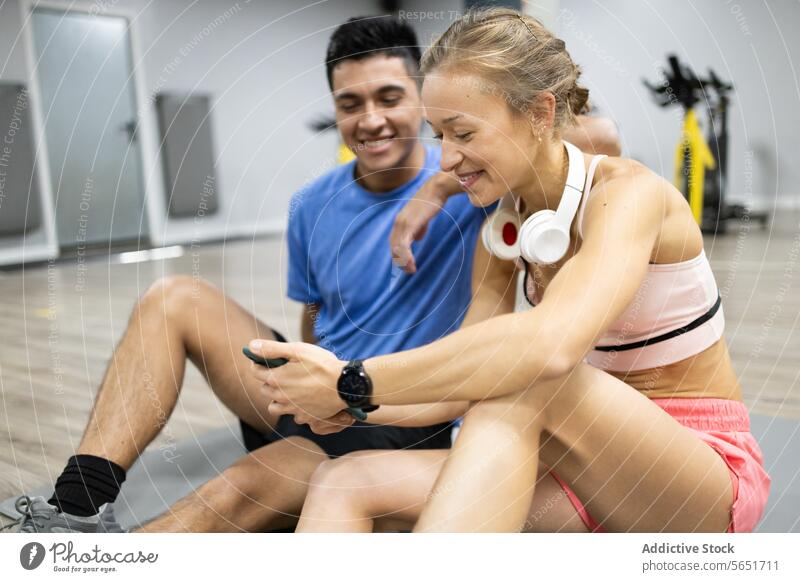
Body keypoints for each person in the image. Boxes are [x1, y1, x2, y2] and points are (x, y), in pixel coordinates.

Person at [250, 8, 771, 533]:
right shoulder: (502, 232)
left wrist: (350, 381)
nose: (447, 159)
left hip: (695, 480)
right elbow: (459, 390)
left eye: (464, 133)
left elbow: (548, 346)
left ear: (541, 113)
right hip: (581, 471)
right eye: (440, 136)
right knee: (344, 479)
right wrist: (353, 409)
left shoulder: (629, 196)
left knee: (528, 375)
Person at [7, 15, 502, 534]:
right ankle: (73, 508)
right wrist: (311, 381)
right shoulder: (311, 204)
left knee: (235, 487)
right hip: (314, 389)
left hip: (397, 416)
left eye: (389, 97)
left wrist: (439, 188)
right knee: (172, 297)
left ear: (423, 100)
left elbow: (582, 140)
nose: (370, 119)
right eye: (350, 104)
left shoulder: (471, 183)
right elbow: (314, 311)